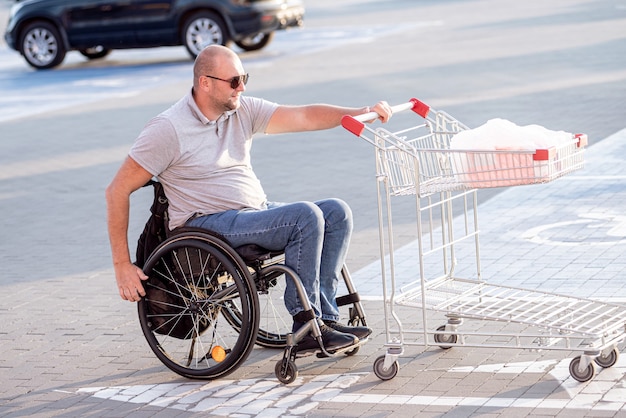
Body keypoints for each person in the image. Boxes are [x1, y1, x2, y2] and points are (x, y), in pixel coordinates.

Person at [106, 44, 392, 353]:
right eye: (233, 81)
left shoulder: (241, 109)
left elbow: (305, 116)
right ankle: (305, 321)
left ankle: (325, 318)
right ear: (205, 82)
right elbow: (116, 190)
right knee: (305, 216)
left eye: (244, 78)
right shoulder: (168, 129)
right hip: (207, 224)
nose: (241, 87)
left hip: (251, 212)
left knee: (337, 212)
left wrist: (360, 113)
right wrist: (122, 264)